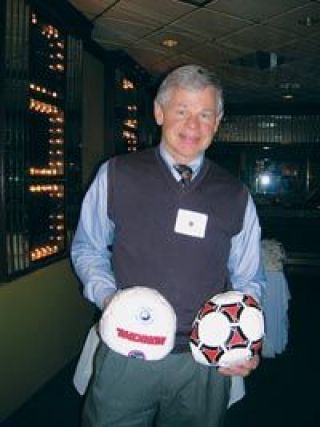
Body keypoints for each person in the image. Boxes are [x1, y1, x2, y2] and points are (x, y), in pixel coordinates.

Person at [71, 64, 265, 427]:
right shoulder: (117, 174)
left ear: (218, 121)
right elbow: (87, 248)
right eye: (182, 111)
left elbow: (250, 277)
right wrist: (110, 300)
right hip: (127, 350)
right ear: (159, 113)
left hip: (203, 358)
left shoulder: (236, 194)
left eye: (205, 114)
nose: (193, 126)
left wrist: (245, 338)